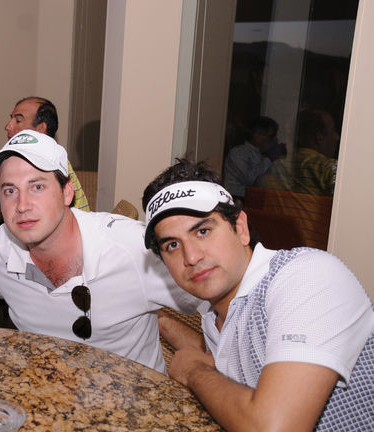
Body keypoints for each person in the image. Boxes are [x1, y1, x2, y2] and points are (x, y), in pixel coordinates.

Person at [142, 159, 373, 431]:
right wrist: (160, 321)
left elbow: (274, 427)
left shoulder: (307, 277)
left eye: (203, 231)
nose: (191, 257)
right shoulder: (217, 314)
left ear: (240, 228)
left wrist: (195, 372)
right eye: (172, 245)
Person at [0, 130, 200, 373]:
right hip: (46, 398)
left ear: (67, 192)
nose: (21, 206)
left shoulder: (134, 248)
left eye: (37, 186)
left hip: (132, 403)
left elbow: (222, 302)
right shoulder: (0, 249)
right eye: (10, 190)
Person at [0, 96, 90, 214]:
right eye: (11, 118)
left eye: (18, 120)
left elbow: (47, 210)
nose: (7, 126)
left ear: (40, 129)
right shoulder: (16, 160)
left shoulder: (52, 163)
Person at [265, 109, 340, 196]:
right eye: (333, 130)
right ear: (319, 137)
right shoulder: (330, 168)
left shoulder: (277, 166)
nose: (337, 137)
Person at [223, 116, 286, 199]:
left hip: (257, 198)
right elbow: (250, 180)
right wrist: (270, 158)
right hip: (237, 198)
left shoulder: (263, 154)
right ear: (257, 136)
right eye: (271, 136)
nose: (275, 140)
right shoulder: (239, 153)